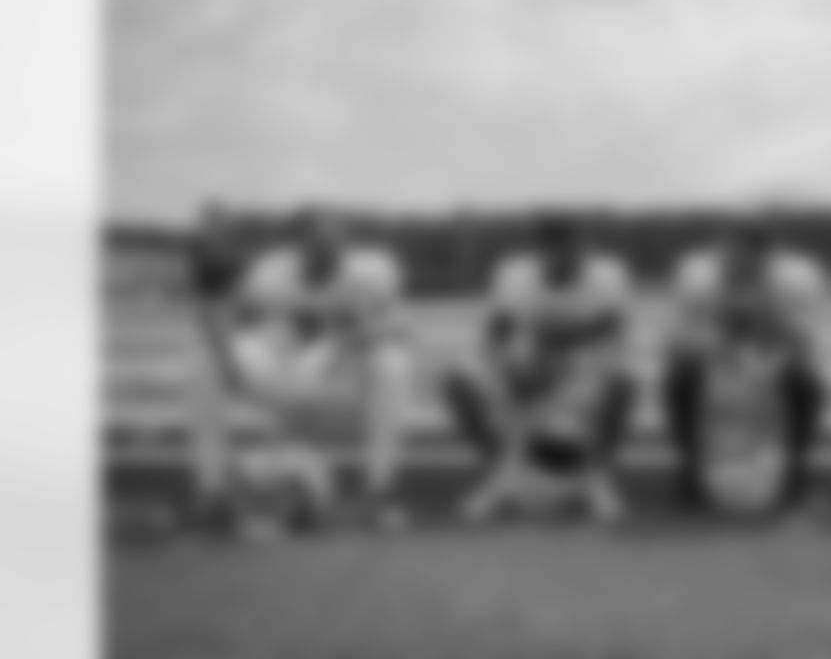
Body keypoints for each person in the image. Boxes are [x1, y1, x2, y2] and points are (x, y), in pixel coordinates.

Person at [187, 206, 416, 538]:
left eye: (333, 246)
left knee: (393, 362)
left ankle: (379, 493)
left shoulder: (374, 272)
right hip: (277, 367)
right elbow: (225, 318)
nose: (325, 253)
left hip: (335, 373)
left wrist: (358, 337)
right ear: (298, 247)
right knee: (202, 360)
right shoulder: (269, 272)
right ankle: (212, 495)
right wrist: (227, 361)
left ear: (345, 246)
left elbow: (403, 329)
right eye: (315, 246)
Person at [441, 215, 635, 523]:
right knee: (456, 381)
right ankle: (502, 473)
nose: (570, 257)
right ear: (542, 252)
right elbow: (494, 336)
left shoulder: (609, 275)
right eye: (559, 249)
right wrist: (513, 373)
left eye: (576, 248)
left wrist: (558, 356)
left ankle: (597, 477)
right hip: (527, 364)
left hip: (586, 365)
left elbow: (611, 330)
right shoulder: (513, 277)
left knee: (624, 384)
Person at [663, 221, 828, 516]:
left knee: (805, 382)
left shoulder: (792, 284)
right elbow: (675, 343)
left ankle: (795, 466)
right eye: (735, 257)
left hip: (769, 364)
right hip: (714, 362)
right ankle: (690, 464)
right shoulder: (698, 283)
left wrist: (770, 323)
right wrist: (715, 347)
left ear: (767, 260)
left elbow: (804, 345)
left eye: (753, 259)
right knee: (680, 378)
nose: (743, 266)